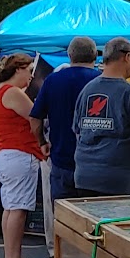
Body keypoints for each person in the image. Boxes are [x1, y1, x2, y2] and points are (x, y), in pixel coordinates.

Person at [72, 36, 130, 198]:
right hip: (120, 181)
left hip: (85, 177)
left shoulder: (86, 91)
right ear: (127, 57)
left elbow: (78, 132)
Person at [0, 53, 45, 258]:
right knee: (19, 209)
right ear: (18, 69)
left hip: (7, 153)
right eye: (29, 71)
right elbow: (36, 117)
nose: (31, 76)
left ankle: (10, 257)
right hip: (20, 154)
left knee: (11, 207)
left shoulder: (1, 91)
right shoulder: (12, 92)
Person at [29, 35, 98, 201]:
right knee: (93, 219)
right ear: (95, 55)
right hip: (95, 163)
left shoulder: (53, 80)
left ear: (70, 55)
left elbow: (35, 118)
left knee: (62, 219)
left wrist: (42, 143)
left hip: (61, 160)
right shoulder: (101, 80)